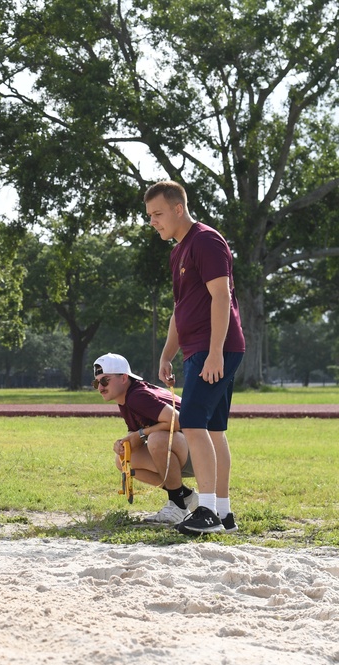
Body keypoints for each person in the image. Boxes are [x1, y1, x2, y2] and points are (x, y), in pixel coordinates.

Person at [147, 180, 245, 535]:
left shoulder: (205, 240)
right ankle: (224, 512)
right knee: (215, 430)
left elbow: (222, 297)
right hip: (198, 349)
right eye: (149, 216)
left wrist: (216, 352)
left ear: (178, 208)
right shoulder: (178, 252)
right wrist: (167, 354)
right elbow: (180, 309)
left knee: (192, 422)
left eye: (158, 214)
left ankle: (206, 511)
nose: (153, 221)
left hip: (214, 348)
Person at [92, 353, 198, 524]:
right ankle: (185, 496)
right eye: (96, 383)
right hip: (185, 449)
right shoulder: (126, 399)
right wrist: (123, 442)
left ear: (124, 378)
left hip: (200, 451)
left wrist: (140, 434)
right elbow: (138, 432)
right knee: (123, 458)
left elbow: (177, 421)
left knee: (157, 439)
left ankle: (178, 506)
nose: (100, 387)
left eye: (105, 381)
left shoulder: (137, 396)